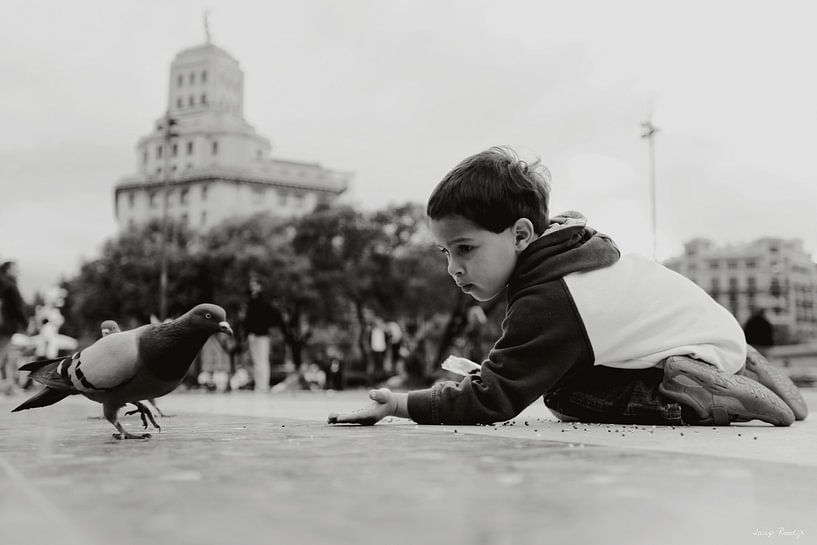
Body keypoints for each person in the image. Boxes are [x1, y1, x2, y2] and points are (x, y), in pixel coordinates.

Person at [329, 146, 808, 427]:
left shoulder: (551, 297)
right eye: (445, 252)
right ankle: (740, 366)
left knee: (563, 395)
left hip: (687, 358)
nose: (453, 267)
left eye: (465, 249)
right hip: (714, 333)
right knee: (563, 372)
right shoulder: (575, 249)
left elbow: (493, 399)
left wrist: (398, 403)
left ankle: (701, 394)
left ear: (520, 234)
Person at [243, 276, 282, 392]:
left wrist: (261, 328)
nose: (252, 287)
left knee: (261, 361)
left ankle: (262, 386)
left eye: (255, 285)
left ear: (260, 286)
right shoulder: (252, 300)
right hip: (255, 335)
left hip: (261, 335)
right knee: (257, 361)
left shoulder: (262, 301)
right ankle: (260, 385)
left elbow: (273, 317)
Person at [0, 261, 28, 390]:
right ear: (7, 269)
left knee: (6, 357)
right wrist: (25, 323)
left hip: (4, 324)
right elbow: (17, 308)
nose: (18, 272)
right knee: (3, 355)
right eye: (15, 269)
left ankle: (8, 385)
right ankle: (9, 385)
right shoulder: (9, 286)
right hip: (5, 325)